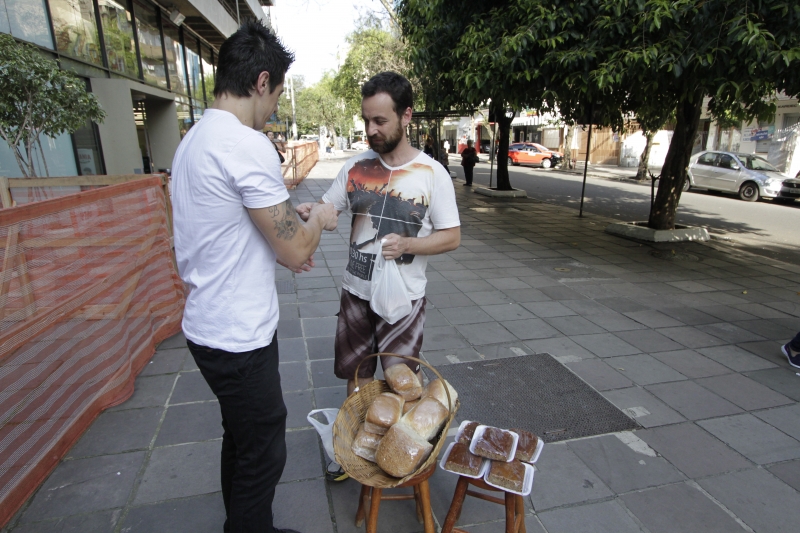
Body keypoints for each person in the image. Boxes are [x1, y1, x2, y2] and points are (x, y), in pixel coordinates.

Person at [171, 20, 338, 533]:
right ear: (262, 82)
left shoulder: (194, 141)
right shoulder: (245, 145)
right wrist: (320, 221)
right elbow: (292, 250)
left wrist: (289, 238)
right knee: (264, 452)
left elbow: (244, 230)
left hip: (208, 324)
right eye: (276, 94)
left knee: (241, 439)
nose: (271, 109)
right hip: (238, 336)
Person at [296, 71, 461, 476]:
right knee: (356, 376)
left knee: (401, 381)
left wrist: (409, 245)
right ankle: (353, 449)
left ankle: (399, 451)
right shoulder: (356, 167)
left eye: (380, 121)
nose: (370, 129)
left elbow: (452, 236)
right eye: (367, 119)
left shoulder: (432, 174)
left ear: (406, 116)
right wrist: (314, 214)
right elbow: (328, 208)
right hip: (356, 291)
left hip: (403, 299)